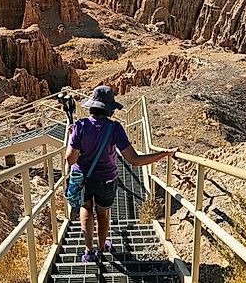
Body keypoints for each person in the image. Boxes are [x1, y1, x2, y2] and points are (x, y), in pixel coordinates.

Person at [66, 85, 177, 263]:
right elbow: (134, 160)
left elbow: (70, 159)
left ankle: (89, 252)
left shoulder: (80, 126)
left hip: (83, 179)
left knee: (86, 210)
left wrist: (72, 138)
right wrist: (164, 154)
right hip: (107, 180)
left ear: (92, 106)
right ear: (110, 109)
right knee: (103, 214)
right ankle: (102, 248)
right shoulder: (115, 128)